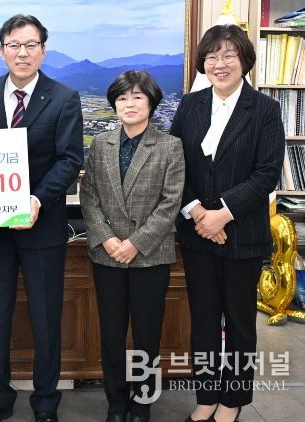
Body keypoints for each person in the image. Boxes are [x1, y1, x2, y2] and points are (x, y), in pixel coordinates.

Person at [0, 14, 83, 422]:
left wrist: (36, 200)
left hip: (42, 227)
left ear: (43, 50)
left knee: (46, 319)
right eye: (14, 45)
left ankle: (46, 401)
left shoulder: (64, 97)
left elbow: (70, 159)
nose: (22, 52)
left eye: (30, 45)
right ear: (2, 50)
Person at [170, 25, 284, 422]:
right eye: (212, 56)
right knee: (203, 321)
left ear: (244, 61)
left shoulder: (264, 109)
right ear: (203, 63)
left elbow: (267, 173)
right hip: (197, 234)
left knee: (239, 323)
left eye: (229, 55)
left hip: (243, 235)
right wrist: (197, 213)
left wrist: (222, 213)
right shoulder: (190, 105)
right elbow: (174, 165)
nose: (220, 64)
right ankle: (206, 398)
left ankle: (232, 402)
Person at [79, 70, 184, 422]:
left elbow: (170, 203)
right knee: (111, 335)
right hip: (107, 254)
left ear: (151, 103)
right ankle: (116, 404)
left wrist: (135, 243)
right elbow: (89, 195)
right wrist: (108, 238)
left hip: (150, 256)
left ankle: (141, 405)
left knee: (147, 336)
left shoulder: (169, 145)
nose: (129, 104)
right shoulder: (101, 145)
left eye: (137, 97)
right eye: (122, 98)